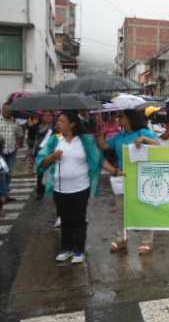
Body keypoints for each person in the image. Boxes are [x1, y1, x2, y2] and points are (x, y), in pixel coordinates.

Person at [37, 111, 118, 264]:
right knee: (65, 219)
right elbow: (41, 163)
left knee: (78, 220)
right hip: (60, 189)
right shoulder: (54, 140)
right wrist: (52, 157)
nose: (58, 123)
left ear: (72, 124)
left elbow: (99, 160)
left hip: (81, 188)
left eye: (61, 121)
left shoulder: (86, 140)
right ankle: (66, 249)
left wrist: (115, 171)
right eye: (58, 120)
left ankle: (79, 250)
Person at [98, 109, 160, 255]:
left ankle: (147, 241)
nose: (119, 120)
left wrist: (146, 141)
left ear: (130, 118)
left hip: (143, 178)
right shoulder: (120, 136)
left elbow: (159, 146)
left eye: (122, 117)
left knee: (145, 209)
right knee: (122, 210)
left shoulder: (144, 132)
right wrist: (100, 134)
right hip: (123, 177)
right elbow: (105, 146)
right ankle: (122, 239)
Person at [0, 104, 24, 197]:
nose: (7, 112)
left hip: (12, 151)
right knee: (2, 173)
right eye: (5, 110)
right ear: (2, 110)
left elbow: (20, 134)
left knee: (9, 172)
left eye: (9, 110)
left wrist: (19, 143)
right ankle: (4, 194)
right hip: (1, 152)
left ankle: (5, 193)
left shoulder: (15, 122)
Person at [34, 111, 56, 200]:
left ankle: (54, 189)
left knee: (53, 171)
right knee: (40, 171)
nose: (47, 117)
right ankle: (40, 191)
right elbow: (37, 136)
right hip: (41, 151)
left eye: (49, 115)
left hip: (52, 151)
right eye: (45, 115)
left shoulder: (56, 127)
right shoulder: (39, 127)